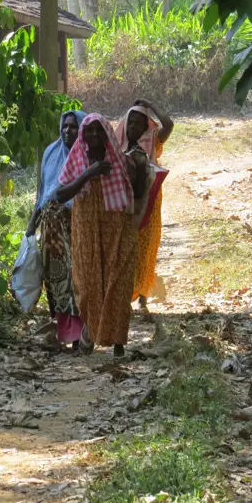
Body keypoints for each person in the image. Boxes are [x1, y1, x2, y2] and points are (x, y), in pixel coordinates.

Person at [56, 114, 147, 357]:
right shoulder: (77, 159)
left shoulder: (120, 160)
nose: (94, 136)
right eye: (90, 131)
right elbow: (61, 194)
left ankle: (118, 344)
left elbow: (136, 193)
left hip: (116, 228)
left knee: (116, 282)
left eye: (99, 131)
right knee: (86, 284)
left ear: (107, 134)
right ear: (83, 135)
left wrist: (139, 168)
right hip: (86, 228)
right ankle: (91, 330)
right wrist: (88, 173)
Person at [26, 110, 87, 351]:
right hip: (51, 228)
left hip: (77, 225)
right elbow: (42, 191)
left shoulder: (86, 154)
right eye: (65, 126)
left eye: (73, 127)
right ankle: (66, 333)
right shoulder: (51, 153)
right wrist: (33, 222)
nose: (67, 131)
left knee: (77, 278)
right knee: (56, 280)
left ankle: (83, 332)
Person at [115, 99, 174, 309]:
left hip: (149, 200)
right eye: (130, 122)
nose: (133, 127)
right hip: (124, 202)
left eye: (138, 123)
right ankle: (126, 293)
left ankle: (142, 296)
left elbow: (169, 124)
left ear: (145, 126)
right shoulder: (116, 144)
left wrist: (150, 105)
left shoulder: (153, 141)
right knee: (126, 247)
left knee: (146, 246)